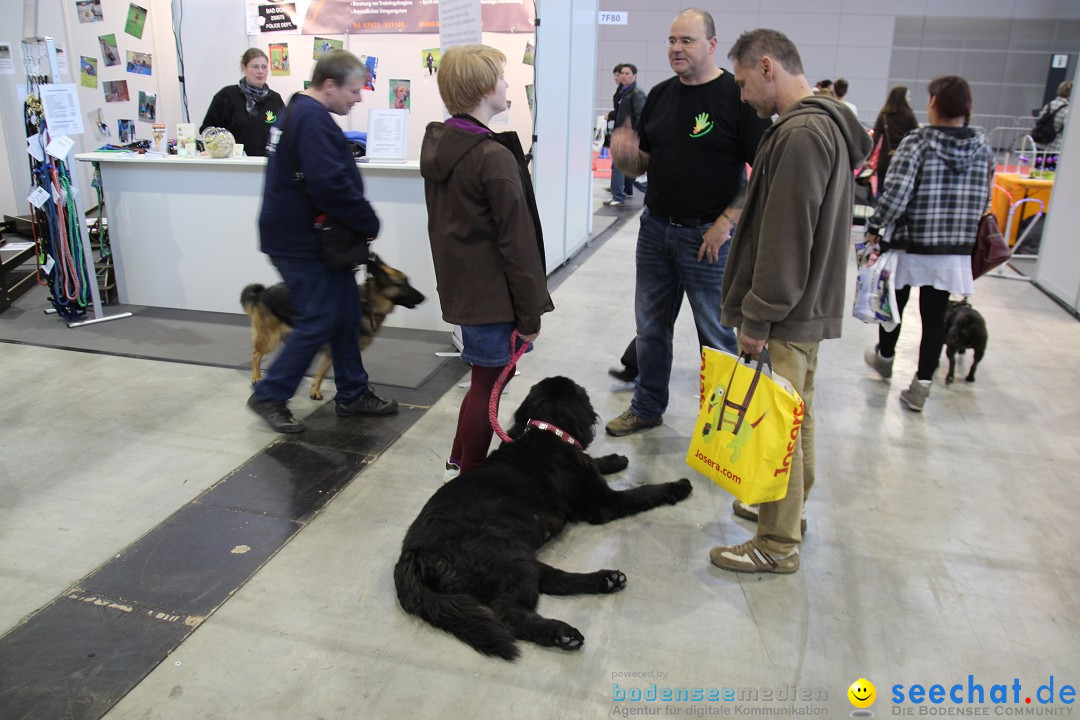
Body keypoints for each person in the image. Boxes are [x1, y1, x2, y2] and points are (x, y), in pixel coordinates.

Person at [709, 28, 872, 574]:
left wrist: (757, 316)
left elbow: (786, 237)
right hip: (806, 310)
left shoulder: (802, 134)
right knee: (795, 418)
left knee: (774, 423)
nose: (742, 95)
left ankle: (776, 544)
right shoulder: (825, 126)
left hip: (785, 313)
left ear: (767, 66)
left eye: (742, 81)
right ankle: (789, 518)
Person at [604, 8, 772, 437]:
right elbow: (645, 163)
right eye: (672, 40)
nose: (676, 49)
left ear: (712, 45)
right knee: (651, 329)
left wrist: (726, 222)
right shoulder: (659, 95)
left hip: (708, 240)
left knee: (716, 338)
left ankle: (722, 424)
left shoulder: (738, 98)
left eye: (687, 41)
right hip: (656, 229)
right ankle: (646, 406)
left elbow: (765, 174)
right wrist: (627, 158)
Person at [247, 49, 398, 433]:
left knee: (347, 311)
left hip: (302, 237)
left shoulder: (299, 110)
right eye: (354, 90)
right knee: (319, 318)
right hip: (300, 241)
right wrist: (368, 220)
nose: (358, 98)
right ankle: (271, 394)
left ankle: (351, 392)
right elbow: (329, 186)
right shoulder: (312, 119)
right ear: (328, 84)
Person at [420, 44, 553, 479]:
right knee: (489, 385)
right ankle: (470, 476)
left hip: (467, 290)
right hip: (494, 296)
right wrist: (530, 311)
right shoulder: (490, 157)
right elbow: (517, 244)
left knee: (486, 381)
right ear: (481, 87)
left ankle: (461, 457)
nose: (508, 83)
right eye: (500, 76)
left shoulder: (446, 145)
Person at [863, 76, 993, 412]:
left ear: (934, 103)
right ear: (969, 108)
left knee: (895, 302)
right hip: (953, 248)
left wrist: (875, 224)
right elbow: (984, 199)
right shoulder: (982, 146)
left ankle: (886, 357)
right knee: (935, 317)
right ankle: (921, 387)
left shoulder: (918, 142)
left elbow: (896, 194)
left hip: (910, 241)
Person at [201, 48, 285, 157]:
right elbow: (208, 130)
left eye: (264, 67)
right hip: (234, 165)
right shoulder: (226, 95)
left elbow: (285, 132)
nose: (260, 71)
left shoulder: (275, 99)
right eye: (255, 66)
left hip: (266, 164)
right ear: (244, 68)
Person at [604, 63, 646, 208]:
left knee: (618, 166)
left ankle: (618, 196)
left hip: (629, 136)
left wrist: (634, 135)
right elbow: (622, 112)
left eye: (627, 73)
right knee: (625, 167)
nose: (624, 76)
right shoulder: (623, 91)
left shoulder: (636, 93)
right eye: (622, 73)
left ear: (634, 75)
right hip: (622, 133)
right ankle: (626, 191)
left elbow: (640, 116)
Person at [866, 86, 919, 197]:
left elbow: (874, 139)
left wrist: (866, 158)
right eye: (908, 96)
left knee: (881, 191)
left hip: (886, 159)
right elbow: (917, 137)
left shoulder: (884, 115)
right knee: (901, 193)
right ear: (902, 98)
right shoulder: (909, 115)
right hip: (904, 159)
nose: (909, 99)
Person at [1034, 80, 1072, 154]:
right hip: (1054, 146)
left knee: (1039, 164)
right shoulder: (1067, 109)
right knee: (1051, 165)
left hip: (1040, 144)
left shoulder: (1049, 104)